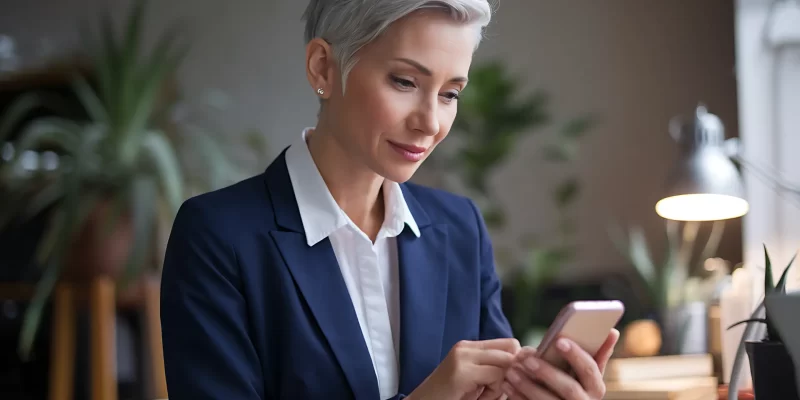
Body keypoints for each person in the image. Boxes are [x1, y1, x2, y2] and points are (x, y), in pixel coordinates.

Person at [159, 1, 620, 399]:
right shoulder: (217, 238)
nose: (431, 122)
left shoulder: (460, 229)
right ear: (323, 67)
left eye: (450, 93)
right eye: (404, 81)